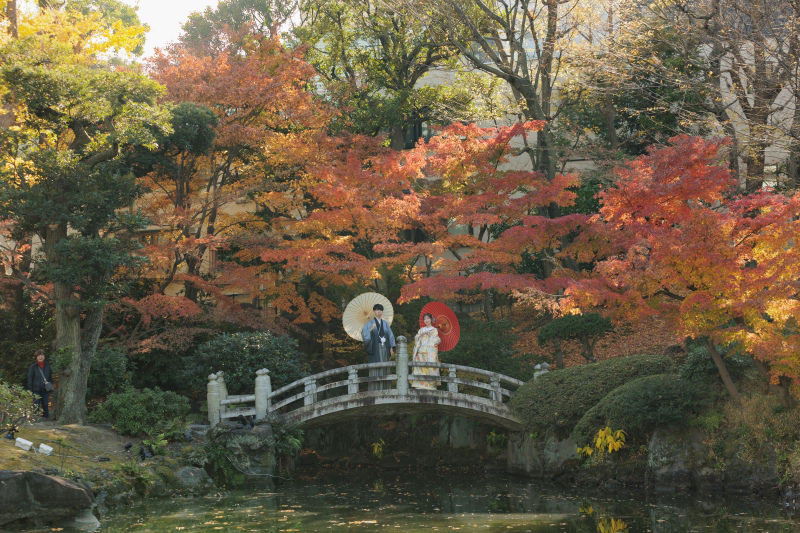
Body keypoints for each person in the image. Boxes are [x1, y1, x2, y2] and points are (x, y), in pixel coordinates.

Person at [361, 303, 396, 391]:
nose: (378, 312)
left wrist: (391, 347)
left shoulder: (385, 323)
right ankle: (375, 389)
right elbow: (364, 334)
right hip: (375, 349)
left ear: (382, 312)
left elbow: (390, 335)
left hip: (385, 348)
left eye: (380, 310)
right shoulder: (369, 323)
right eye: (376, 310)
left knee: (385, 367)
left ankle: (385, 388)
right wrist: (371, 329)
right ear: (374, 311)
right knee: (376, 367)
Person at [411, 313, 441, 389]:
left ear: (431, 319)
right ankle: (419, 384)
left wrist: (430, 335)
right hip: (420, 352)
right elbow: (416, 338)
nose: (426, 320)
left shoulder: (434, 330)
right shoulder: (422, 330)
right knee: (420, 367)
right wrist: (422, 334)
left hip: (429, 353)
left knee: (428, 367)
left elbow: (437, 341)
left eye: (428, 318)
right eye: (425, 319)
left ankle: (429, 384)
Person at [27, 349, 53, 419]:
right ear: (36, 357)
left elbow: (50, 377)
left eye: (42, 355)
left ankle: (45, 418)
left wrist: (50, 385)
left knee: (45, 404)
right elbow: (30, 378)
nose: (40, 357)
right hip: (36, 389)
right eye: (38, 356)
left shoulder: (47, 365)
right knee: (36, 405)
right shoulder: (33, 367)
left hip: (45, 389)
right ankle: (36, 418)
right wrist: (30, 389)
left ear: (44, 356)